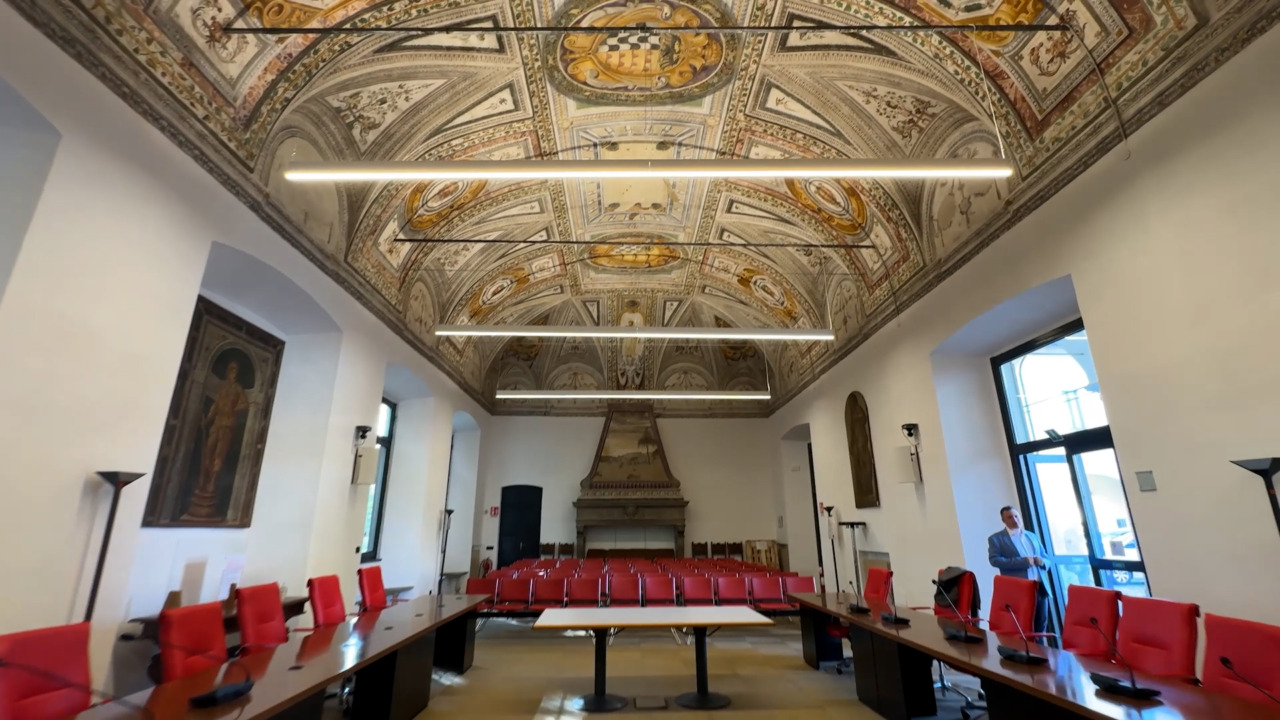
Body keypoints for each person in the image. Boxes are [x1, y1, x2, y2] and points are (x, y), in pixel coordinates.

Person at [988, 505, 1051, 635]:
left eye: (1016, 516)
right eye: (1010, 517)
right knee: (1023, 627)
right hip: (1019, 589)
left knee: (1040, 627)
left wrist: (1042, 562)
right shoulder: (996, 539)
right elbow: (994, 560)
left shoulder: (1032, 536)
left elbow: (1047, 558)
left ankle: (1040, 648)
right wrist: (1022, 562)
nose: (1015, 520)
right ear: (1003, 521)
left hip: (1040, 587)